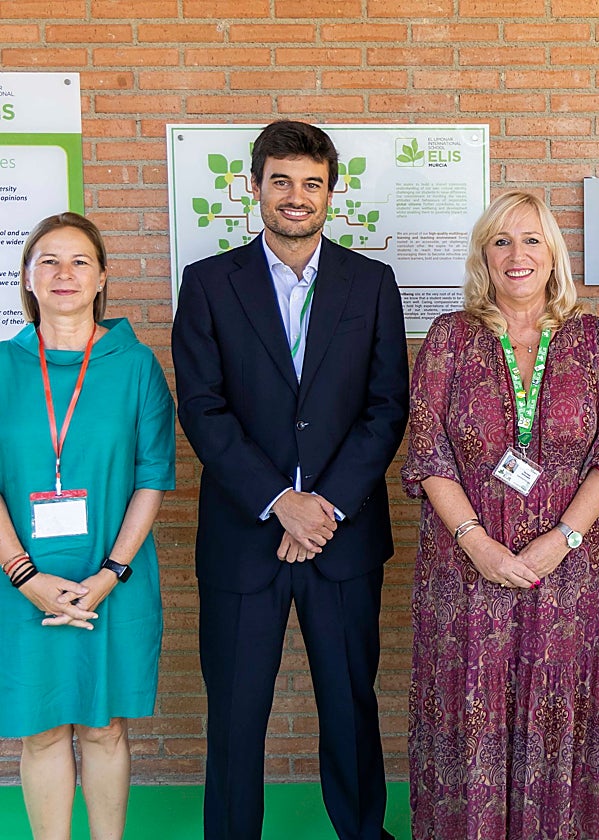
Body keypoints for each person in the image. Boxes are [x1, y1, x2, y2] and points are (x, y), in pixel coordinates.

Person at [172, 121, 409, 840]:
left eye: (312, 182)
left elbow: (387, 406)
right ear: (255, 188)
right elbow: (203, 409)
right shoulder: (210, 284)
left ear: (331, 192)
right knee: (237, 717)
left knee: (349, 706)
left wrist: (323, 507)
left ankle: (363, 832)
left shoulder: (370, 284)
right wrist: (282, 503)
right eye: (281, 181)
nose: (296, 196)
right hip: (247, 541)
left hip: (342, 538)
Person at [401, 190, 599, 840]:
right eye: (502, 241)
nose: (517, 254)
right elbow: (429, 455)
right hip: (466, 582)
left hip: (571, 582)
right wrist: (479, 545)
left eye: (531, 240)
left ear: (553, 254)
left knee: (563, 713)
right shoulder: (449, 339)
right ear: (484, 255)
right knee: (470, 717)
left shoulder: (594, 341)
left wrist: (559, 542)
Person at [0, 212, 175, 839]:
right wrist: (24, 574)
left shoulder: (135, 366)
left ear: (102, 276)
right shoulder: (2, 365)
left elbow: (153, 476)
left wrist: (111, 572)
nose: (64, 273)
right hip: (20, 580)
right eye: (48, 260)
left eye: (79, 261)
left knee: (104, 726)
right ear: (26, 277)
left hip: (114, 579)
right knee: (42, 729)